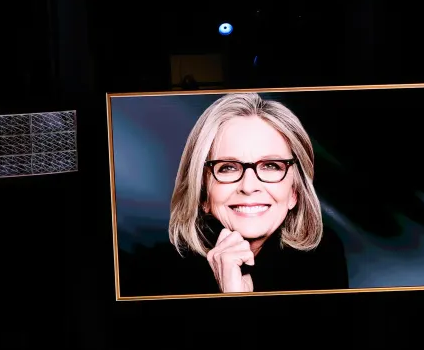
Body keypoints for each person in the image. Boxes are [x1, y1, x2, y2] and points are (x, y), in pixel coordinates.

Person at [117, 92, 348, 298]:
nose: (249, 186)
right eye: (228, 167)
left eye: (271, 166)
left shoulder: (324, 259)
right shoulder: (152, 275)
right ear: (203, 193)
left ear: (294, 192)